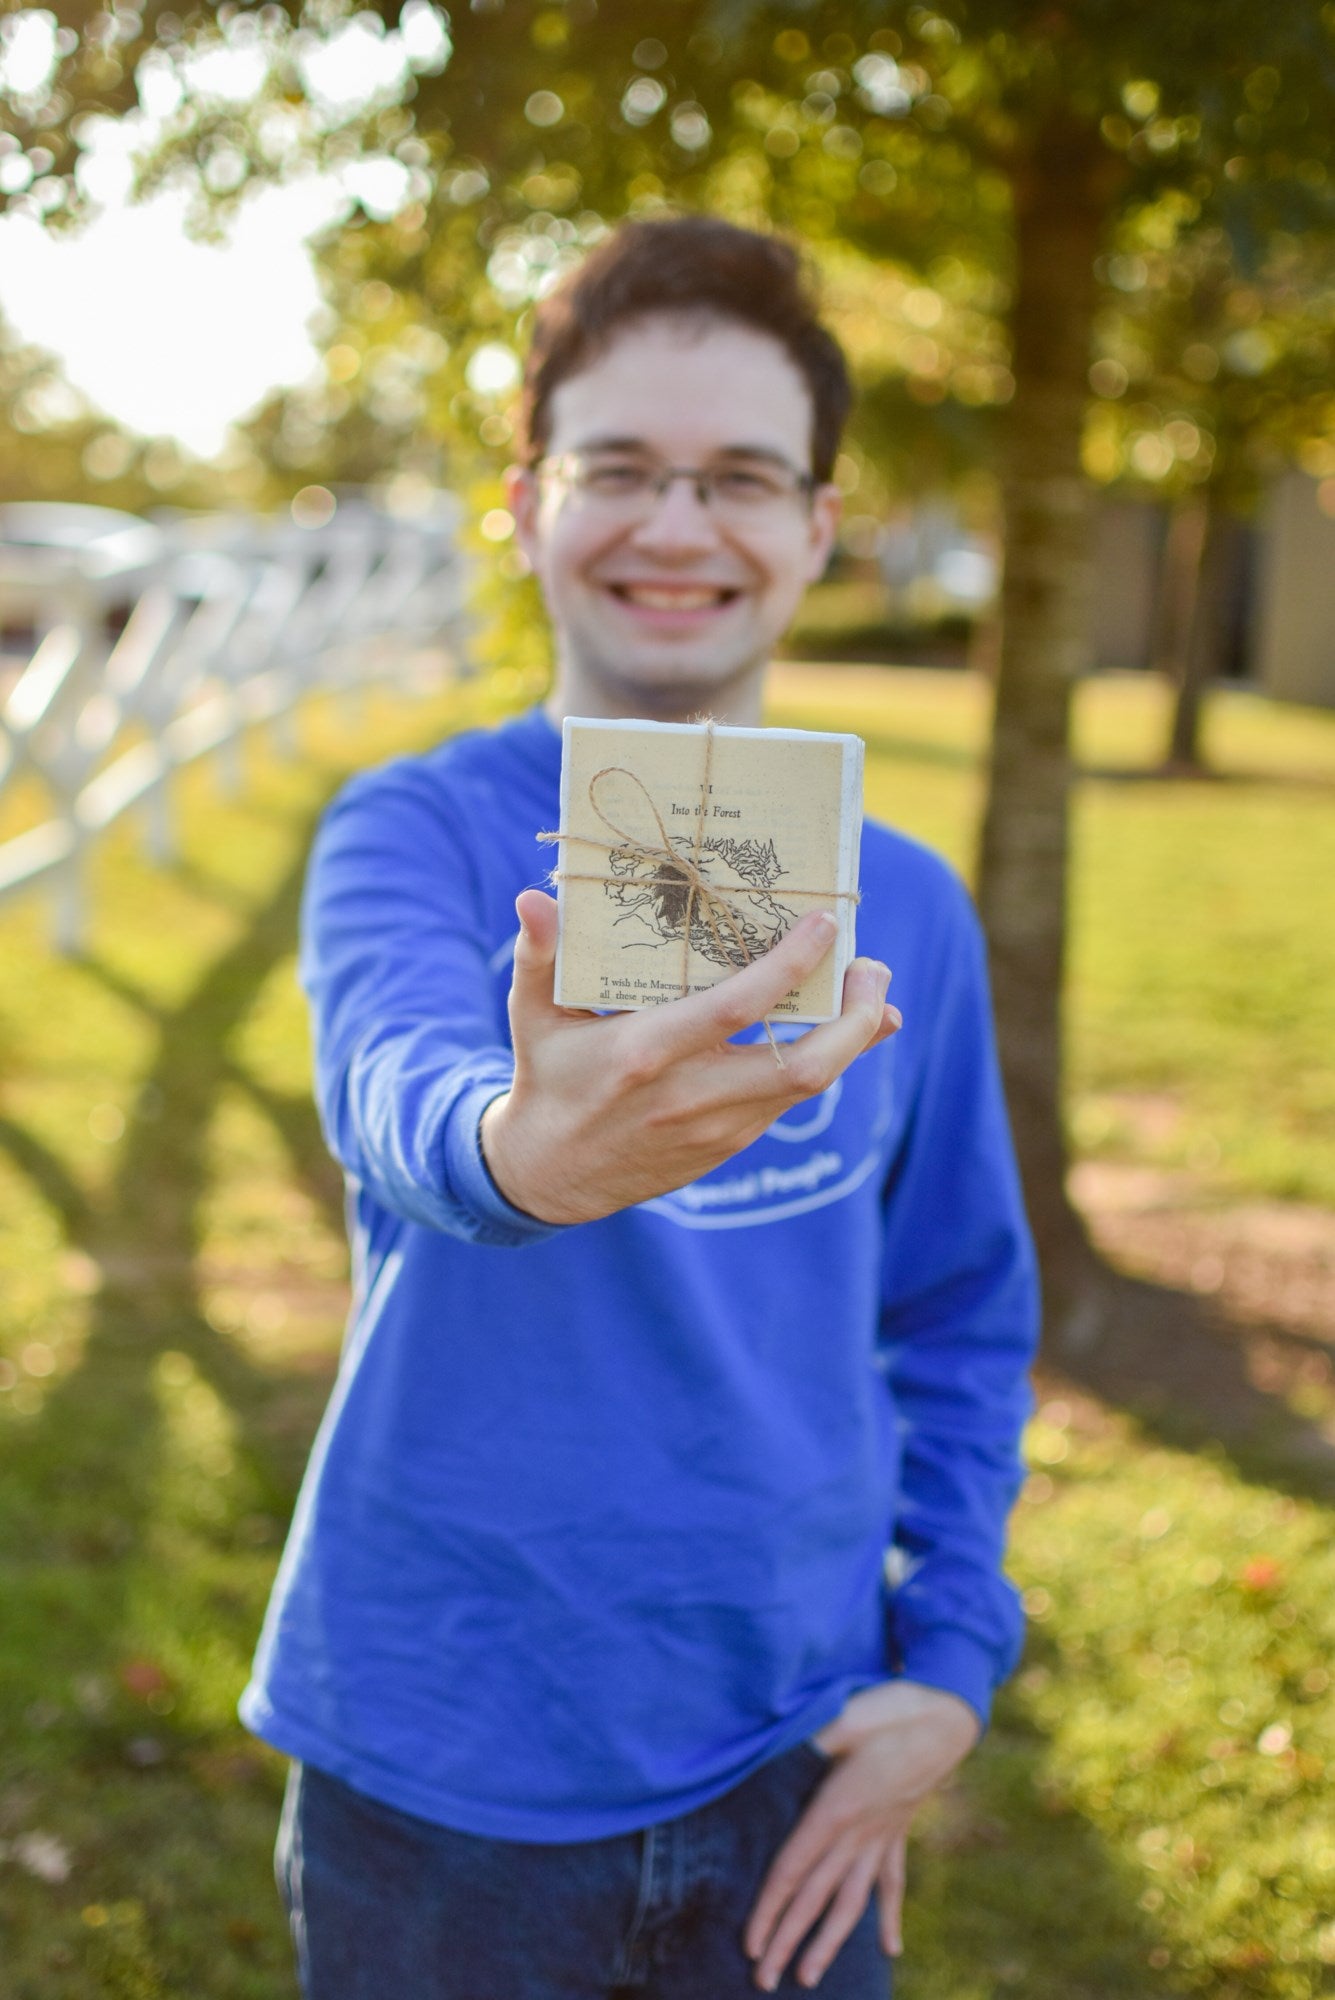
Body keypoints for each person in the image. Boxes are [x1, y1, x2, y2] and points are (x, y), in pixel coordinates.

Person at [241, 215, 1039, 1999]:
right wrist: (516, 1151)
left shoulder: (905, 905)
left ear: (818, 527)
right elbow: (396, 1085)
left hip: (797, 1745)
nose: (677, 529)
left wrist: (955, 1664)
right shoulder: (414, 831)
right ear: (525, 504)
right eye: (621, 471)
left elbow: (960, 1311)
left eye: (742, 479)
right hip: (440, 1761)